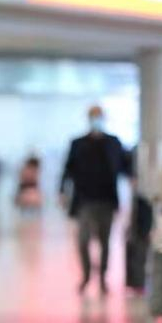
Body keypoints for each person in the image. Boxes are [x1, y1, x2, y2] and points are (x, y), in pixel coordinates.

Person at [60, 105, 131, 296]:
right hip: (84, 200)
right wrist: (62, 191)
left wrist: (134, 180)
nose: (96, 121)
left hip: (107, 200)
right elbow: (67, 169)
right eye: (93, 117)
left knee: (104, 241)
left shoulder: (113, 142)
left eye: (99, 117)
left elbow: (125, 166)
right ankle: (86, 275)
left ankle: (103, 278)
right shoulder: (78, 143)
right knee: (83, 240)